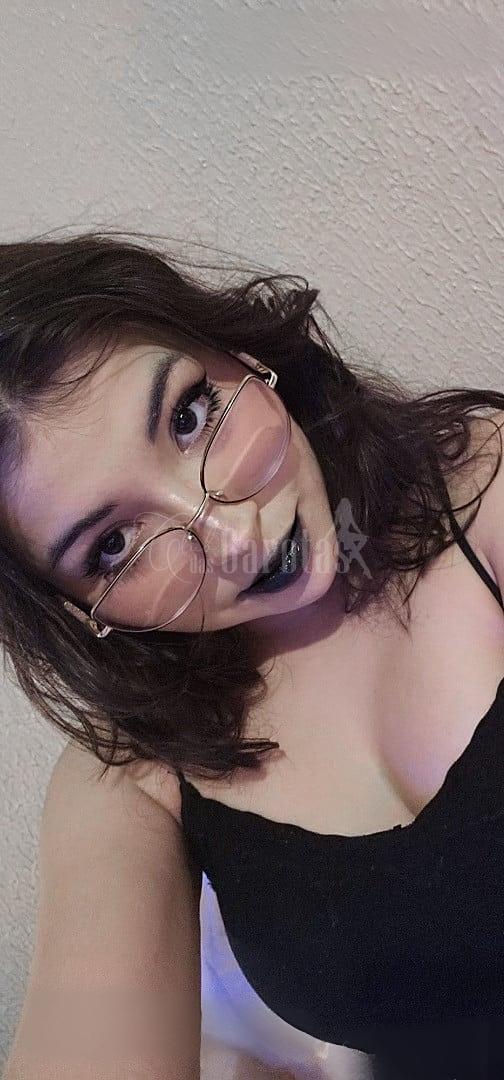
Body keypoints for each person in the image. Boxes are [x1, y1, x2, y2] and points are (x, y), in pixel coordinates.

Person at [3, 228, 504, 1080]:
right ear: (76, 607)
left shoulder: (483, 489)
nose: (230, 537)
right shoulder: (136, 774)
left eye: (189, 417)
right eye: (114, 544)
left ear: (239, 355)